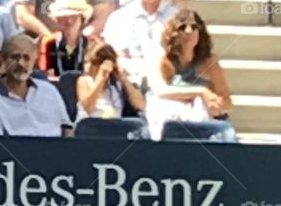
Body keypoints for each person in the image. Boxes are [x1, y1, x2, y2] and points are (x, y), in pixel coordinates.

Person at [144, 9, 233, 140]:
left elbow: (227, 102)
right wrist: (201, 92)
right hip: (168, 124)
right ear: (173, 33)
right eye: (182, 27)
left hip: (203, 124)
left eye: (194, 27)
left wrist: (216, 106)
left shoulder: (210, 62)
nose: (189, 31)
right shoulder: (161, 59)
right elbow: (160, 91)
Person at [0, 34, 73, 136]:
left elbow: (67, 129)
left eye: (26, 58)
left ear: (34, 62)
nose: (21, 63)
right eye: (15, 57)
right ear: (3, 60)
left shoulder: (50, 91)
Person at [75, 40, 145, 121]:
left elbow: (140, 105)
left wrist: (124, 79)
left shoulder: (116, 85)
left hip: (114, 128)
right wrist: (101, 79)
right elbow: (88, 108)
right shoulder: (84, 81)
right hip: (91, 127)